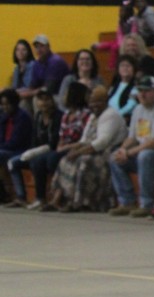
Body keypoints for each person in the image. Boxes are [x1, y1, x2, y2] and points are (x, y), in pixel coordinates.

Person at [47, 85, 127, 212]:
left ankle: (79, 202)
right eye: (91, 103)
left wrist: (78, 152)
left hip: (107, 152)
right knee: (65, 159)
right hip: (93, 150)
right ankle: (58, 199)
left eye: (98, 102)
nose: (94, 106)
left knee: (83, 161)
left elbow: (102, 142)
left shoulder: (110, 115)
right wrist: (71, 149)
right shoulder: (93, 115)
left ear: (105, 101)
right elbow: (84, 139)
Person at [107, 75, 154, 218]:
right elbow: (132, 137)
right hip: (143, 152)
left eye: (147, 91)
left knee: (146, 156)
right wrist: (122, 150)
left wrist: (131, 152)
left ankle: (147, 203)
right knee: (114, 157)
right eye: (140, 91)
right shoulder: (138, 109)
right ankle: (127, 201)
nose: (142, 94)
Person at [25, 82, 91, 210]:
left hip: (76, 147)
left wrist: (64, 147)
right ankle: (40, 198)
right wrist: (61, 145)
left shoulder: (85, 114)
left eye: (66, 93)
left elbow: (84, 137)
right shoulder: (66, 114)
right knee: (37, 161)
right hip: (62, 146)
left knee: (52, 159)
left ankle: (62, 197)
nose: (63, 96)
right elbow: (61, 135)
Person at [5, 88, 61, 208]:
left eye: (47, 100)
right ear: (36, 103)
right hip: (36, 151)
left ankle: (40, 198)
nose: (44, 103)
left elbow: (54, 142)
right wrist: (31, 151)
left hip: (51, 150)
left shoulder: (58, 116)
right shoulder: (38, 116)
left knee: (36, 162)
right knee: (13, 163)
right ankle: (21, 197)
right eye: (41, 100)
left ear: (52, 101)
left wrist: (33, 152)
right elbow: (34, 140)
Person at [0, 89, 33, 204]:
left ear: (14, 103)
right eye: (3, 104)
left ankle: (12, 194)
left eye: (7, 104)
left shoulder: (23, 118)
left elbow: (16, 142)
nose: (5, 107)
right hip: (6, 148)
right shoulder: (4, 117)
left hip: (21, 150)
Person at [22, 35, 70, 102]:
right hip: (46, 95)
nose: (39, 49)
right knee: (24, 101)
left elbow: (48, 89)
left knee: (38, 99)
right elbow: (32, 86)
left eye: (42, 46)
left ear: (48, 47)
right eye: (36, 47)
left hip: (59, 96)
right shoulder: (37, 64)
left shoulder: (55, 61)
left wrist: (29, 93)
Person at [108, 55, 139, 122]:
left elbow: (131, 105)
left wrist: (116, 116)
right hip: (110, 118)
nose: (125, 68)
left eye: (128, 66)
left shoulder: (136, 87)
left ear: (134, 69)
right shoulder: (114, 86)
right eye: (122, 65)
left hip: (124, 119)